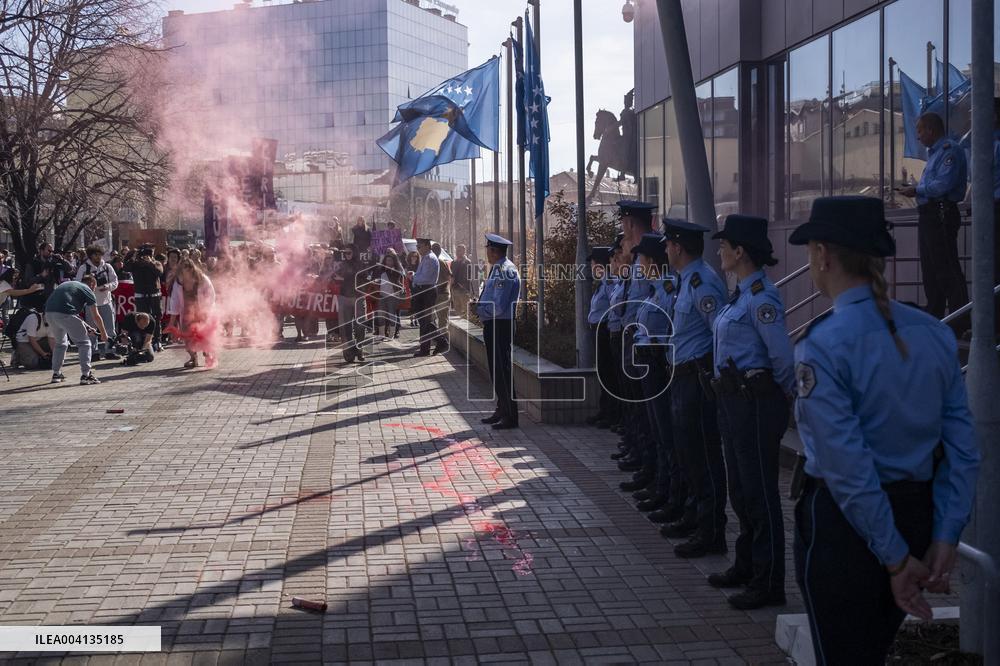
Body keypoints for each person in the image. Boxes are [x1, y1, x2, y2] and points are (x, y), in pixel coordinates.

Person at [788, 195, 980, 663]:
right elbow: (962, 448)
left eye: (810, 250)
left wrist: (895, 560)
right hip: (917, 517)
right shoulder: (934, 332)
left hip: (846, 529)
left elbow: (848, 469)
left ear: (823, 255)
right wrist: (945, 534)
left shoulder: (823, 345)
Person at [708, 215, 795, 610]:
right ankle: (746, 565)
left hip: (755, 405)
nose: (720, 251)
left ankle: (768, 580)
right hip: (734, 403)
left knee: (759, 493)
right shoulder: (740, 295)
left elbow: (782, 358)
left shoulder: (761, 297)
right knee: (741, 491)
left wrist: (784, 401)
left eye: (725, 245)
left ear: (740, 251)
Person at [661, 217, 728, 558]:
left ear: (678, 247)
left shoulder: (703, 282)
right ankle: (694, 518)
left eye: (668, 245)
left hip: (697, 379)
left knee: (703, 456)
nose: (666, 250)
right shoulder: (686, 279)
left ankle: (711, 531)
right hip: (682, 376)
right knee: (688, 453)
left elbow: (720, 333)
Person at [630, 234, 688, 526]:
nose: (638, 265)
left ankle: (672, 495)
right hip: (649, 365)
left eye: (641, 259)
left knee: (667, 435)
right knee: (658, 432)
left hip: (660, 367)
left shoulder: (667, 290)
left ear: (651, 261)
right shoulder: (655, 290)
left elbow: (669, 332)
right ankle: (662, 488)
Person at [897, 111, 969, 320]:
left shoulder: (949, 150)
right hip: (930, 215)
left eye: (920, 130)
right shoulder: (935, 154)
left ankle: (961, 321)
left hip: (941, 214)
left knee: (947, 269)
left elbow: (942, 185)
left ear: (931, 130)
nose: (918, 136)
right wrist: (916, 189)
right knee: (931, 271)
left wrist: (917, 190)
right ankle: (935, 318)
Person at [613, 201, 659, 494]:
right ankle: (645, 463)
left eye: (624, 222)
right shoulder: (637, 257)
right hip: (633, 337)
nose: (622, 228)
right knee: (636, 406)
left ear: (630, 223)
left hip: (649, 344)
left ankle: (652, 470)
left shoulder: (653, 254)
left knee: (648, 413)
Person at [474, 234, 521, 430]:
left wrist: (479, 309)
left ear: (494, 251)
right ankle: (502, 409)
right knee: (496, 370)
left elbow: (499, 306)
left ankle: (510, 415)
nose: (487, 253)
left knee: (502, 371)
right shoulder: (498, 269)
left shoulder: (505, 271)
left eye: (488, 249)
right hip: (494, 324)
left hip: (500, 324)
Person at [45, 274, 107, 385]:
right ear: (92, 283)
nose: (94, 290)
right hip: (65, 314)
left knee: (60, 344)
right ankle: (86, 375)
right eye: (95, 287)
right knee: (84, 343)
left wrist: (86, 326)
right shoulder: (87, 289)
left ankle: (56, 373)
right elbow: (96, 316)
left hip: (49, 313)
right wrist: (103, 333)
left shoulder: (70, 285)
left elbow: (71, 312)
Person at [585, 246, 619, 429]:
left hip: (605, 330)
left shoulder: (610, 282)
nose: (591, 267)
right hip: (598, 330)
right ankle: (604, 410)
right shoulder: (602, 283)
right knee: (603, 373)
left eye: (593, 263)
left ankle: (611, 413)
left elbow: (614, 308)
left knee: (608, 373)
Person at [167, 259, 217, 369]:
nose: (186, 270)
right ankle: (193, 358)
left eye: (188, 267)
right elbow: (174, 301)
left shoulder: (202, 279)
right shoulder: (178, 282)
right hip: (186, 313)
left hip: (202, 312)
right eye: (184, 268)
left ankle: (208, 356)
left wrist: (206, 311)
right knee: (187, 337)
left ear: (192, 268)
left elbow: (211, 295)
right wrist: (171, 323)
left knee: (204, 336)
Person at [75, 246, 120, 360]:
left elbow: (115, 281)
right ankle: (93, 352)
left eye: (100, 254)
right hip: (90, 302)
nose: (98, 257)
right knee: (92, 329)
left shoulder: (107, 267)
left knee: (110, 328)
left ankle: (110, 351)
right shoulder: (84, 268)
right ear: (90, 255)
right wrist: (89, 285)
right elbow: (77, 283)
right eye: (95, 254)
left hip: (106, 301)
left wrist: (107, 286)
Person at [126, 246, 165, 351]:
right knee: (142, 318)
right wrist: (134, 256)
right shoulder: (136, 264)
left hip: (154, 294)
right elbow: (126, 268)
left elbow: (159, 272)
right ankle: (144, 340)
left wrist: (150, 263)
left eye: (149, 254)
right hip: (141, 295)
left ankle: (157, 340)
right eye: (144, 255)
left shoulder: (156, 263)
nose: (146, 257)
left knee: (156, 318)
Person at [409, 238, 442, 357]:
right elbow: (422, 275)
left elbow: (426, 278)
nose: (418, 249)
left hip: (427, 291)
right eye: (417, 247)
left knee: (425, 322)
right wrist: (414, 275)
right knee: (424, 321)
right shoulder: (426, 258)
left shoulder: (430, 258)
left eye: (420, 246)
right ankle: (426, 347)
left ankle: (440, 342)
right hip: (424, 291)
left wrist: (413, 278)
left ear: (427, 246)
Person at [335, 246, 367, 362]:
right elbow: (335, 277)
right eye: (345, 253)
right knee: (345, 327)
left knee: (360, 325)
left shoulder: (361, 264)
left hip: (358, 297)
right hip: (344, 297)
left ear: (354, 253)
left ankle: (359, 349)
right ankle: (348, 353)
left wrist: (344, 278)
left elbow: (362, 278)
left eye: (349, 252)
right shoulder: (342, 264)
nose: (347, 255)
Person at [376, 250, 405, 339]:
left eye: (390, 261)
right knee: (380, 315)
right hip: (382, 295)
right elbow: (376, 279)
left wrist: (390, 271)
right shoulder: (381, 270)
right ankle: (382, 334)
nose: (388, 262)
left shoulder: (396, 271)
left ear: (394, 262)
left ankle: (391, 334)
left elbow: (398, 282)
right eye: (387, 260)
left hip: (393, 296)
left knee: (391, 314)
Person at [432, 242, 451, 352]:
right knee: (438, 319)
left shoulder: (440, 262)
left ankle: (445, 342)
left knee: (442, 320)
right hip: (436, 294)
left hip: (442, 294)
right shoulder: (434, 262)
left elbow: (448, 277)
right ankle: (440, 340)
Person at [451, 244, 473, 319]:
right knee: (457, 310)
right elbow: (451, 274)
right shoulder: (454, 262)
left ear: (464, 251)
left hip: (464, 290)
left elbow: (469, 277)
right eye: (457, 251)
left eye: (459, 251)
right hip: (455, 289)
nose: (457, 252)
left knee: (466, 311)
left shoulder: (467, 262)